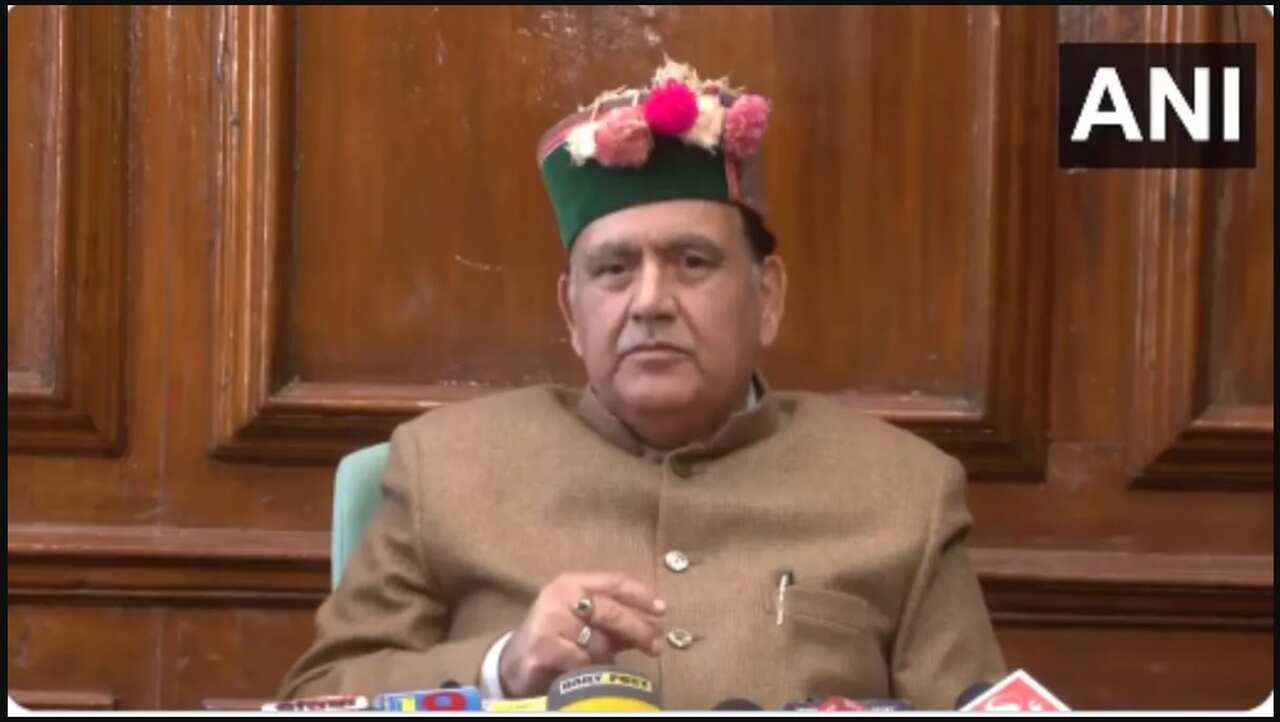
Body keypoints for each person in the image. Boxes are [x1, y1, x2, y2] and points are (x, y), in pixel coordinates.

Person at [279, 59, 1005, 710]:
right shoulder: (445, 467)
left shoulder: (903, 491)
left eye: (692, 262)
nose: (650, 302)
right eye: (613, 269)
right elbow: (318, 698)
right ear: (572, 313)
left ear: (768, 297)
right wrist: (502, 666)